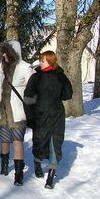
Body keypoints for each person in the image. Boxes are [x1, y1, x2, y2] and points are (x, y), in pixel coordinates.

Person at [24, 50, 73, 189]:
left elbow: (68, 94)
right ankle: (37, 163)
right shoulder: (36, 77)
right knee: (40, 141)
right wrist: (31, 116)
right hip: (40, 114)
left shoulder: (60, 76)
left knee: (55, 143)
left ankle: (51, 176)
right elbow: (28, 97)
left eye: (43, 60)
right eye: (40, 60)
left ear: (50, 61)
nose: (40, 62)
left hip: (56, 114)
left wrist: (61, 90)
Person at [0, 40, 33, 186]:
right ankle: (3, 164)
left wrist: (30, 102)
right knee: (4, 140)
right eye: (3, 52)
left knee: (17, 141)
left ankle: (18, 173)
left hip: (18, 110)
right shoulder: (1, 67)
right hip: (3, 110)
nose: (4, 55)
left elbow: (32, 88)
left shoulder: (25, 67)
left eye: (7, 52)